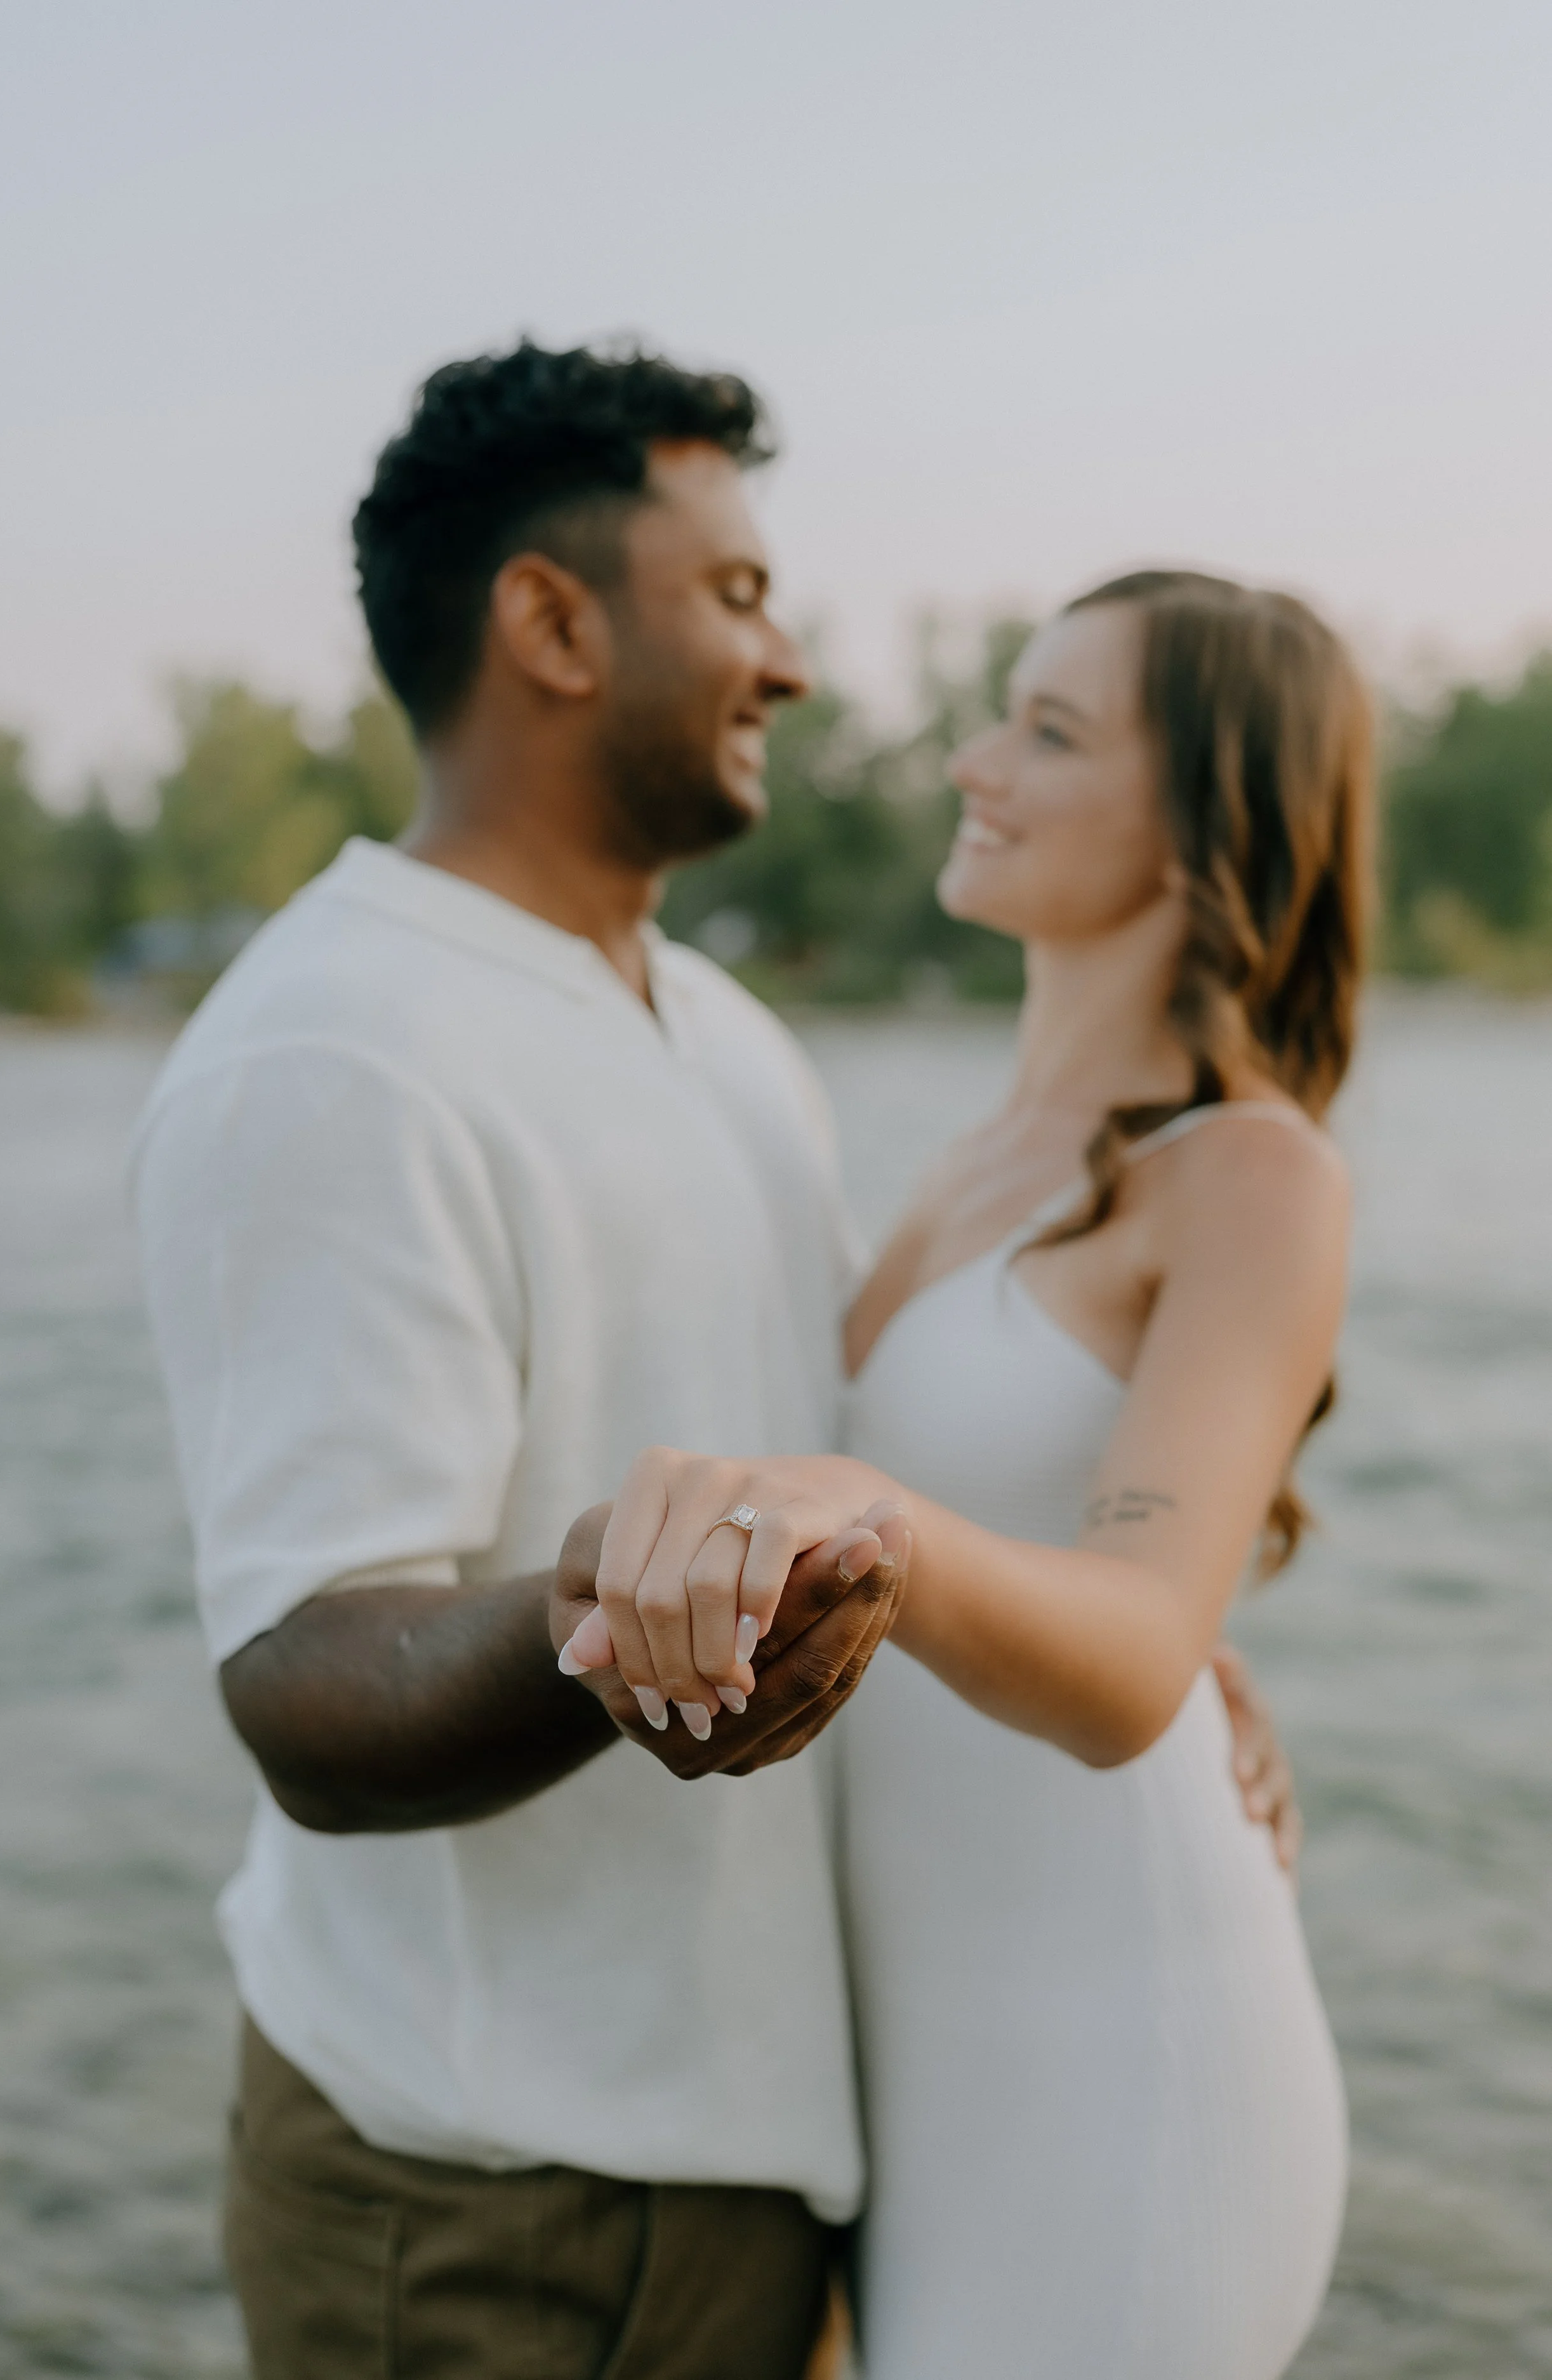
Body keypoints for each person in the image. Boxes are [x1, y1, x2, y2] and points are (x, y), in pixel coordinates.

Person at [133, 339, 1298, 2378]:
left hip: (777, 2159)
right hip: (486, 2191)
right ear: (553, 623)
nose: (793, 663)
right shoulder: (335, 1045)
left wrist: (1149, 1623)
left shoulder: (730, 1041)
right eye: (738, 593)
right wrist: (606, 1612)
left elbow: (858, 1452)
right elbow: (305, 1687)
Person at [566, 570, 1369, 2378]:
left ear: (1208, 823)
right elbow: (1046, 1542)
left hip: (1123, 2056)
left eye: (1049, 732)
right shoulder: (967, 1163)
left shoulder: (1251, 1172)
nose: (972, 762)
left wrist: (877, 1523)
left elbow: (1133, 1659)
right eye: (1004, 712)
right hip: (919, 2052)